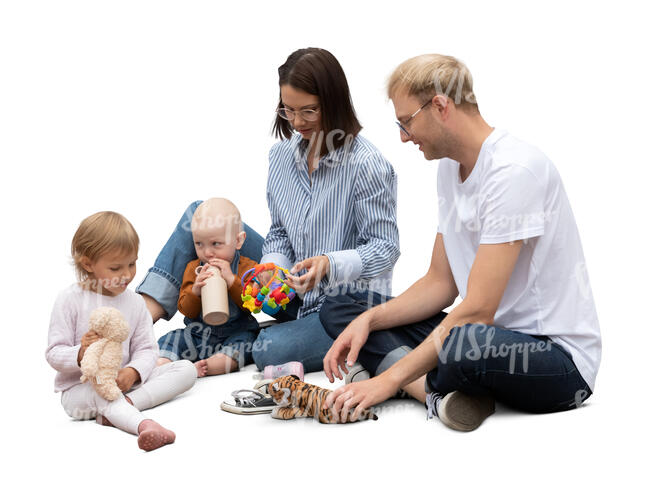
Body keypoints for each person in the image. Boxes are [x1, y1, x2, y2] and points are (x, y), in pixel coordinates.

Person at [320, 54, 602, 431]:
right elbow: (440, 283)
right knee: (342, 308)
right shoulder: (449, 169)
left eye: (406, 122)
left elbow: (478, 310)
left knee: (463, 341)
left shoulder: (514, 171)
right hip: (484, 335)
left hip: (555, 359)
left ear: (440, 105)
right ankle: (437, 395)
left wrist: (385, 381)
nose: (404, 136)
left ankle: (404, 379)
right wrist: (368, 319)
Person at [137, 47, 400, 374]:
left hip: (341, 304)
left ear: (334, 104)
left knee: (268, 349)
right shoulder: (281, 156)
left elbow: (385, 249)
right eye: (288, 110)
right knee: (200, 215)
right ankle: (138, 320)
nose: (297, 122)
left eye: (309, 111)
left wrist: (329, 264)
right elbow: (279, 232)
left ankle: (245, 338)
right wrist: (271, 266)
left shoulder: (368, 165)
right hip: (293, 289)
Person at [46, 211, 197, 451]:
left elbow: (147, 349)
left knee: (187, 370)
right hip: (81, 390)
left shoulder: (135, 302)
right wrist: (80, 353)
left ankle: (122, 407)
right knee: (101, 394)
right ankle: (144, 424)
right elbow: (54, 353)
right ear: (88, 264)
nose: (127, 275)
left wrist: (133, 372)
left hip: (124, 385)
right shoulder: (70, 299)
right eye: (116, 268)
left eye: (132, 263)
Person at [156, 198, 260, 377]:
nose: (207, 252)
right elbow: (185, 310)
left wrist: (231, 280)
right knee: (172, 339)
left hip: (236, 331)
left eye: (216, 244)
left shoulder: (246, 267)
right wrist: (195, 291)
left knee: (246, 343)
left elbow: (252, 305)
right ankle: (163, 363)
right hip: (198, 333)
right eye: (199, 244)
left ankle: (213, 364)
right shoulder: (193, 268)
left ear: (238, 241)